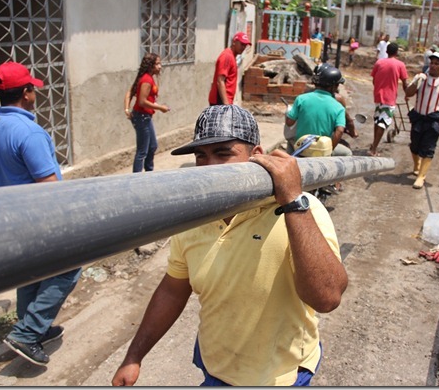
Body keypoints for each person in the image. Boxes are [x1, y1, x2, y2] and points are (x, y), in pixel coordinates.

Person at [111, 105, 348, 386]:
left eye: (224, 153)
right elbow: (173, 289)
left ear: (257, 156)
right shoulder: (195, 218)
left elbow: (327, 298)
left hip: (278, 374)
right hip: (216, 363)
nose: (210, 168)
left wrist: (293, 200)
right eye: (201, 156)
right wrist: (134, 357)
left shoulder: (300, 211)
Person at [0, 62, 82, 366]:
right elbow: (48, 189)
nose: (35, 93)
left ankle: (32, 329)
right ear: (26, 93)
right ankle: (29, 332)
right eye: (33, 88)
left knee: (31, 272)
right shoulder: (29, 132)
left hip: (10, 214)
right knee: (68, 267)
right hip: (40, 218)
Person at [404, 52, 439, 190]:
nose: (433, 66)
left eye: (437, 64)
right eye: (432, 63)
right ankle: (417, 165)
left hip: (433, 118)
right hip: (418, 116)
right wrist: (417, 82)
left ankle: (421, 176)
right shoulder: (420, 77)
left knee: (428, 148)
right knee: (415, 144)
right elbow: (408, 93)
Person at [285, 64, 352, 156]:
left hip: (301, 147)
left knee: (290, 144)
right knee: (347, 153)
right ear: (333, 86)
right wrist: (330, 150)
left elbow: (289, 122)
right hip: (321, 150)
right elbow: (340, 131)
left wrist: (289, 112)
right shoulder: (338, 106)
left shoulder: (301, 99)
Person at [124, 53, 170, 173]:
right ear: (150, 65)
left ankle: (149, 172)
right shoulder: (146, 80)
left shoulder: (147, 78)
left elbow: (130, 92)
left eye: (160, 63)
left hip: (145, 117)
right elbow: (142, 102)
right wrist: (160, 107)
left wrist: (127, 109)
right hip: (141, 117)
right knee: (142, 151)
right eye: (157, 64)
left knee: (152, 146)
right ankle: (137, 177)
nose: (160, 66)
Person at [369, 42, 408, 156]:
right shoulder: (400, 65)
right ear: (397, 52)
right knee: (383, 122)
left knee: (377, 120)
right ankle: (374, 149)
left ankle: (374, 144)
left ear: (386, 51)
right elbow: (405, 83)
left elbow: (374, 80)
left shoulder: (379, 63)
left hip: (378, 96)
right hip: (389, 97)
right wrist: (407, 94)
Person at [208, 31, 251, 105]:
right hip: (220, 102)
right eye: (242, 44)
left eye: (245, 45)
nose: (243, 47)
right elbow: (220, 81)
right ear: (234, 42)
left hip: (223, 102)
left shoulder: (232, 56)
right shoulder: (227, 56)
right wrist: (226, 104)